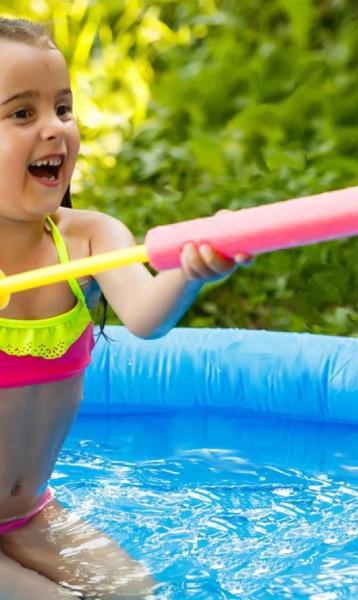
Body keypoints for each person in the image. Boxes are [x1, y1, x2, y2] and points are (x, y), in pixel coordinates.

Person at [0, 17, 249, 599]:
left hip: (27, 514)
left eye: (62, 107)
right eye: (21, 113)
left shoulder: (88, 236)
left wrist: (190, 268)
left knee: (137, 592)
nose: (54, 130)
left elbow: (144, 314)